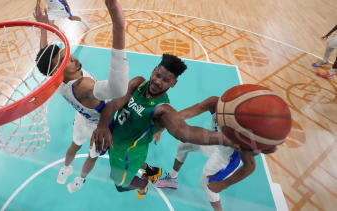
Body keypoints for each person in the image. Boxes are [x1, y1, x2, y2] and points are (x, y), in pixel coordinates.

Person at [90, 55, 237, 199]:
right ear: (154, 70)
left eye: (166, 80)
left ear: (173, 83)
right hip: (115, 139)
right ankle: (148, 169)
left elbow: (185, 133)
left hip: (129, 153)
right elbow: (115, 103)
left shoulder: (163, 110)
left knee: (120, 184)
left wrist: (228, 138)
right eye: (158, 75)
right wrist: (103, 126)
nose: (158, 82)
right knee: (130, 164)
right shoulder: (138, 83)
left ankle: (143, 184)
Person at [34, 0, 128, 193]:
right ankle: (74, 173)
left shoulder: (55, 79)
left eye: (66, 54)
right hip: (95, 123)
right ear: (58, 70)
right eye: (65, 60)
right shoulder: (83, 86)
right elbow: (116, 89)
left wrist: (44, 26)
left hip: (87, 119)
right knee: (85, 152)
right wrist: (118, 27)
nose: (73, 58)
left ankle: (74, 173)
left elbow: (45, 55)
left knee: (79, 148)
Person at [153, 96, 276, 211]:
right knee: (183, 146)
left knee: (207, 184)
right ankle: (172, 178)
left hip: (226, 158)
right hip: (214, 141)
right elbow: (183, 115)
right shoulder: (215, 103)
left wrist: (224, 184)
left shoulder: (243, 134)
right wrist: (162, 128)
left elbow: (249, 166)